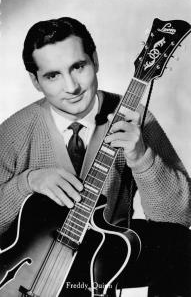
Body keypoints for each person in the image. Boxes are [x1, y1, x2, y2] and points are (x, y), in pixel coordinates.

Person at [0, 17, 190, 297]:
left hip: (104, 254)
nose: (72, 87)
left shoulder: (134, 120)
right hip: (32, 266)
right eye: (53, 75)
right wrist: (27, 182)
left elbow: (178, 217)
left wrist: (141, 157)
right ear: (35, 80)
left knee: (183, 247)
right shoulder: (13, 132)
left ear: (95, 60)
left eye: (78, 67)